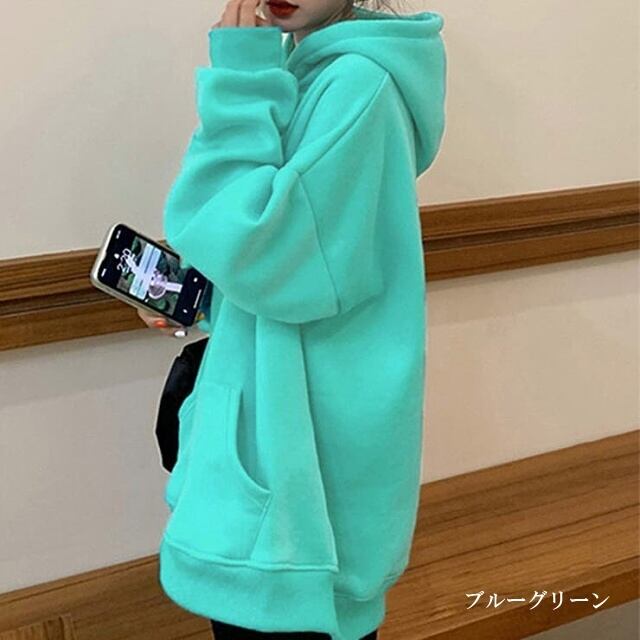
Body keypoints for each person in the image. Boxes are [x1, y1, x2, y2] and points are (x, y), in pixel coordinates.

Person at [140, 0, 446, 637]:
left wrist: (238, 83)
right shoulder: (305, 70)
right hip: (287, 480)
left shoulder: (358, 84)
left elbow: (272, 251)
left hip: (302, 498)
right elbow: (309, 269)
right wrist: (207, 294)